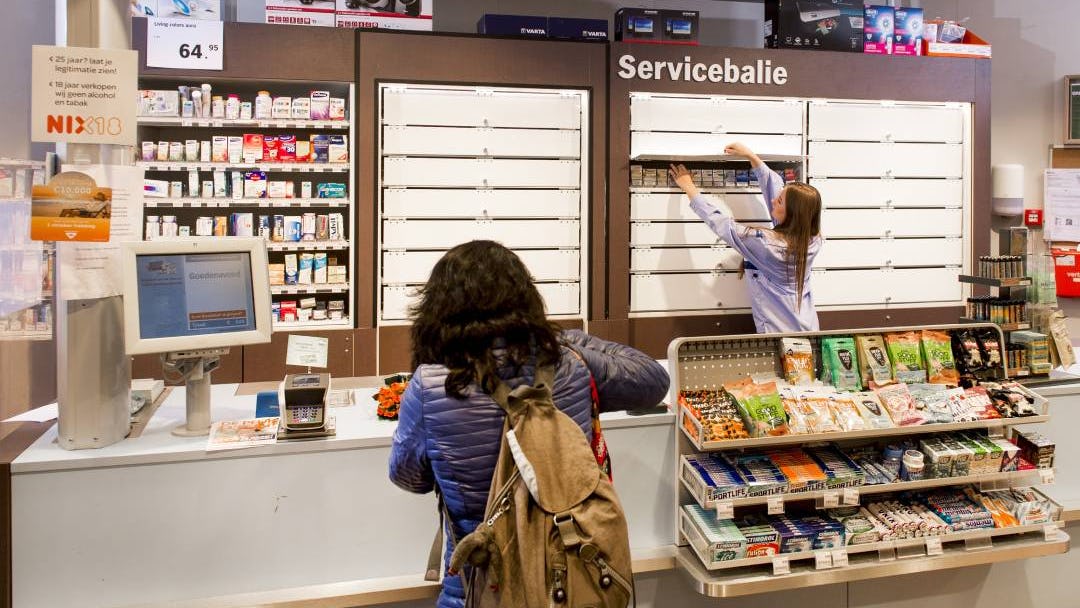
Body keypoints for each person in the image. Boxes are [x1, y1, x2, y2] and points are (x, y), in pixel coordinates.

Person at [388, 240, 669, 608]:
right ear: (526, 299)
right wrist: (559, 338)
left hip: (480, 585)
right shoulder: (569, 363)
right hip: (568, 579)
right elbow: (651, 381)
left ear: (438, 309)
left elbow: (408, 477)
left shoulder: (428, 384)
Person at [669, 141, 823, 333]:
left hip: (781, 339)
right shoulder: (812, 239)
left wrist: (689, 187)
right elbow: (776, 189)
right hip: (810, 329)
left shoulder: (767, 244)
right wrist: (752, 157)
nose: (774, 200)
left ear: (792, 213)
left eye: (780, 201)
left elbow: (723, 225)